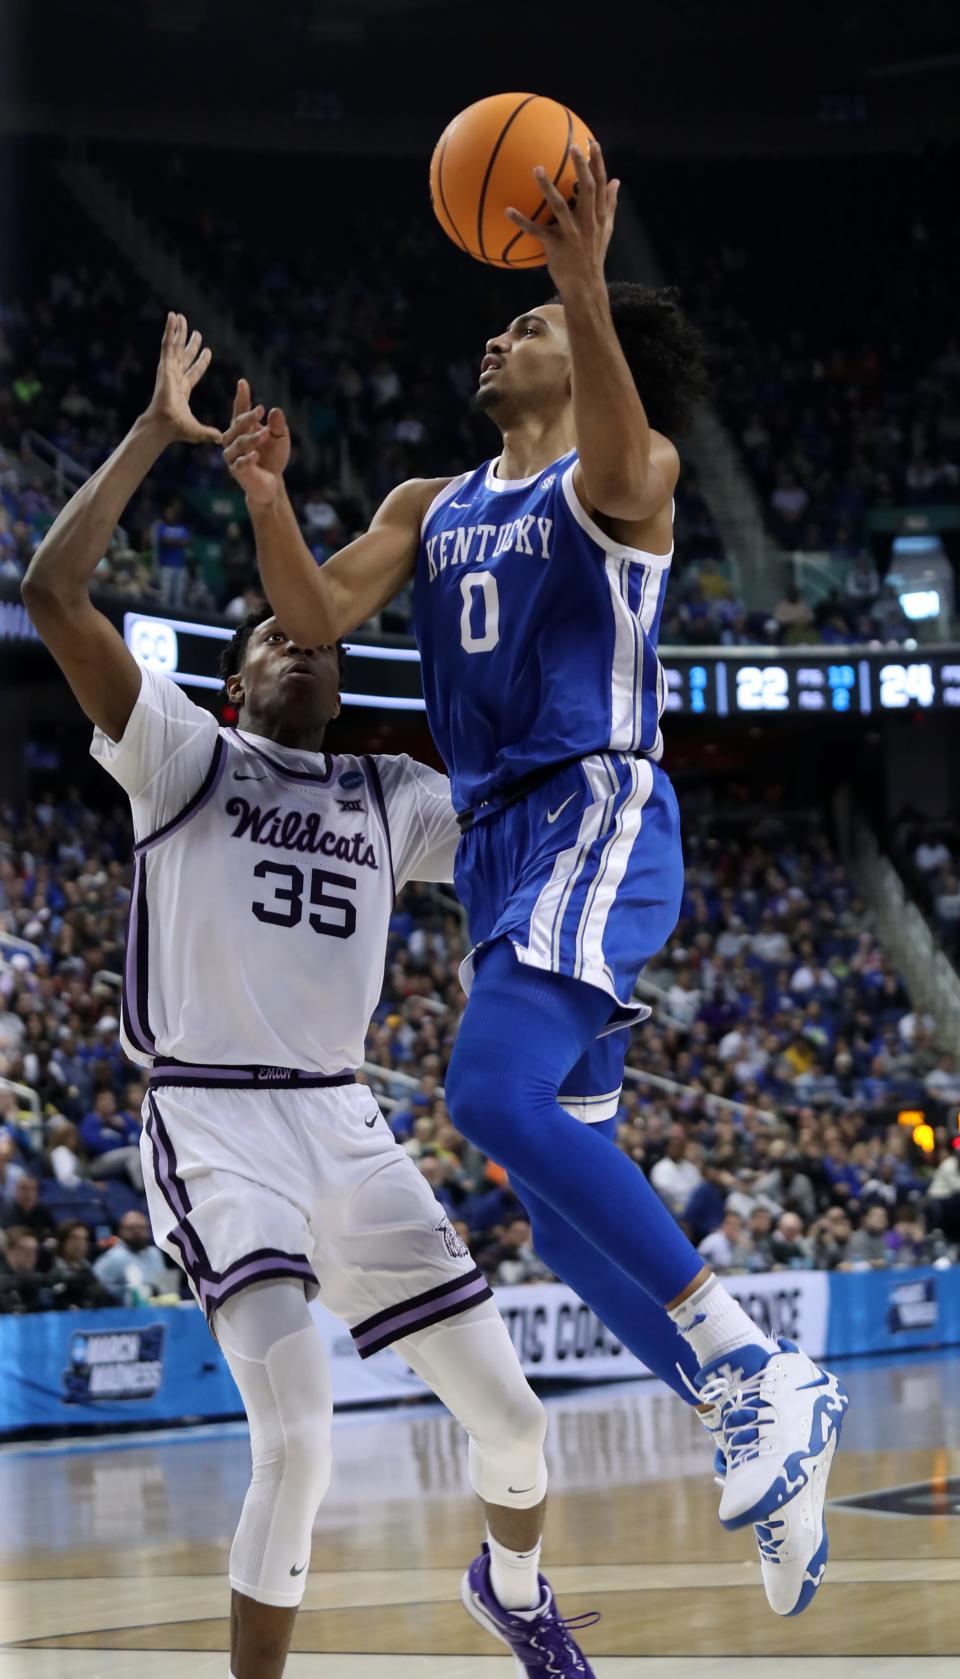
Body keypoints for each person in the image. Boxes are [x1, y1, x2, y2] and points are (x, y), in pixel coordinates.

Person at [225, 141, 847, 1618]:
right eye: (503, 322)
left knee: (486, 1095)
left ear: (586, 361)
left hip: (591, 811)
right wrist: (263, 493)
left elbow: (635, 460)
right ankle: (749, 1409)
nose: (496, 331)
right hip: (501, 847)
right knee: (557, 1212)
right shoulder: (432, 500)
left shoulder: (618, 479)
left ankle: (754, 1364)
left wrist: (582, 278)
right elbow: (309, 614)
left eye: (531, 326)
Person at [22, 314, 598, 1679]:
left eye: (315, 629)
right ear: (235, 683)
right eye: (274, 635)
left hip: (349, 1132)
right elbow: (54, 593)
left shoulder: (386, 795)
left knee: (517, 1423)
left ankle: (511, 1584)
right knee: (301, 1433)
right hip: (217, 1127)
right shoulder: (180, 755)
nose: (302, 639)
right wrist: (158, 435)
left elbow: (541, 802)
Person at [93, 1209, 177, 1303]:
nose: (137, 1232)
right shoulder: (111, 1258)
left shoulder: (155, 1253)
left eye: (141, 1228)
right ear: (121, 1231)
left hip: (157, 1311)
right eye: (131, 1228)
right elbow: (95, 1290)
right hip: (126, 1313)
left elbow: (164, 1287)